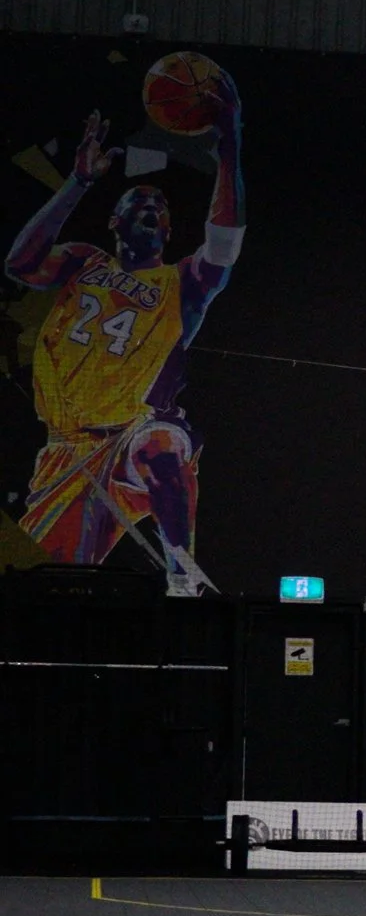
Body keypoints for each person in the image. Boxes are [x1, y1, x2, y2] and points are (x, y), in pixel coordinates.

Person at [5, 85, 244, 596]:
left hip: (126, 434)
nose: (152, 208)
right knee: (44, 589)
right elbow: (20, 264)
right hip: (65, 454)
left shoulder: (183, 286)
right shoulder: (84, 261)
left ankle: (182, 574)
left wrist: (230, 147)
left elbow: (224, 243)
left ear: (168, 228)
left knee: (163, 442)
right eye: (140, 200)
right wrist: (77, 182)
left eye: (160, 206)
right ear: (116, 220)